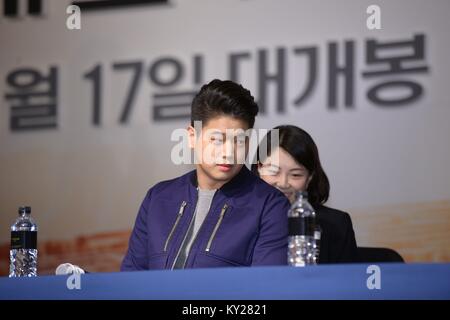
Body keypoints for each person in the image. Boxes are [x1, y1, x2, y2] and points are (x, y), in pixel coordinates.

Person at [121, 79, 290, 271]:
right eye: (217, 140)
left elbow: (267, 287)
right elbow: (132, 277)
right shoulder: (158, 198)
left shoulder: (269, 205)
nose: (229, 152)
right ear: (192, 137)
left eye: (240, 141)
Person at [252, 125, 358, 263]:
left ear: (310, 178)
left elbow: (347, 281)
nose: (283, 183)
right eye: (273, 171)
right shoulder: (239, 219)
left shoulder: (336, 224)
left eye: (295, 175)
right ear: (259, 169)